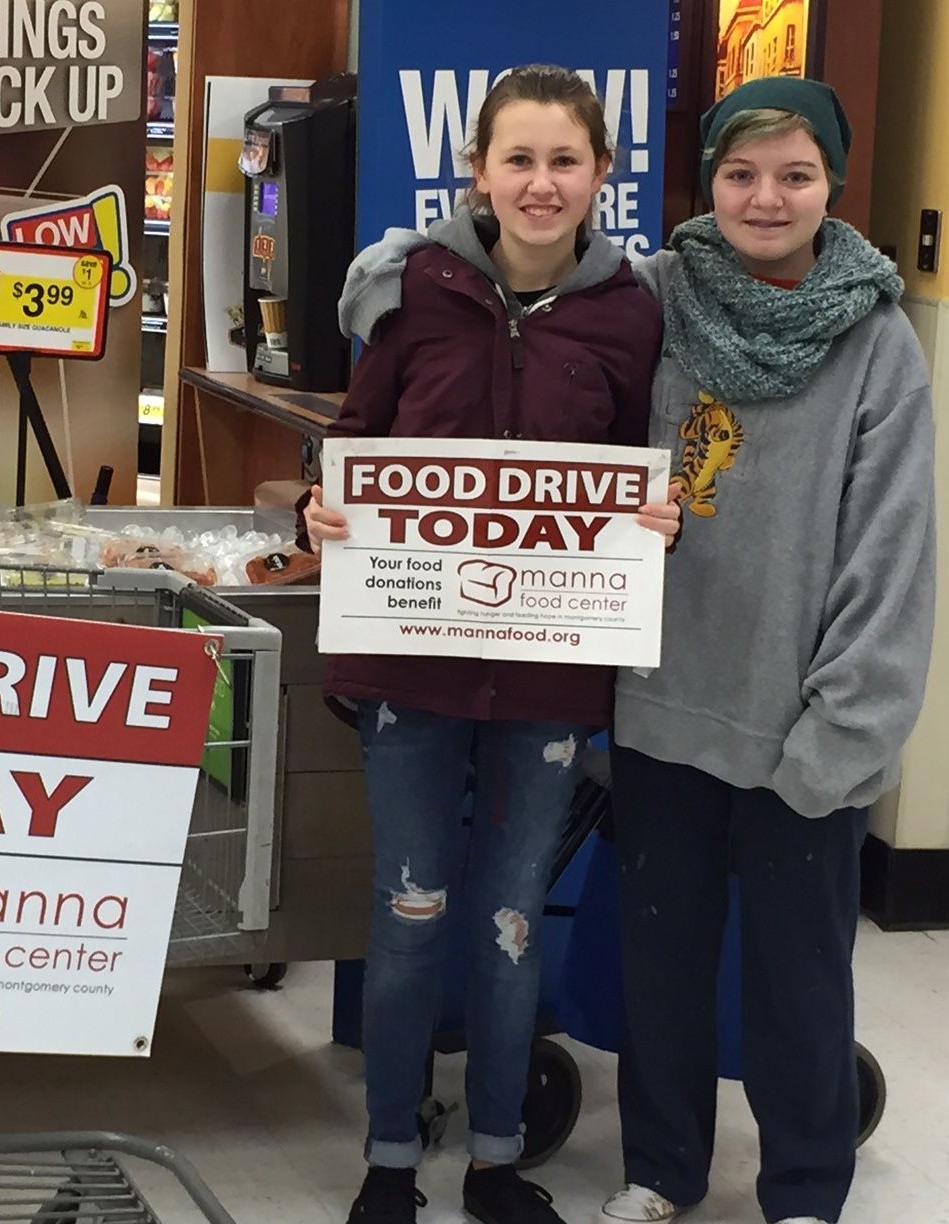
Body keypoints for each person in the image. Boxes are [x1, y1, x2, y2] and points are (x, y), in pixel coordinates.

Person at [300, 65, 677, 1224]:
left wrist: (648, 522)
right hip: (411, 670)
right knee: (411, 917)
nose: (541, 182)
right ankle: (391, 1158)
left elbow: (636, 462)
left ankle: (499, 1158)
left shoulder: (633, 313)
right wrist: (320, 507)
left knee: (510, 930)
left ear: (603, 175)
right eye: (518, 159)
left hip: (550, 682)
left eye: (566, 160)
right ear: (478, 173)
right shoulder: (414, 292)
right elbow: (353, 443)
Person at [602, 77, 936, 1224]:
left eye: (795, 174)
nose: (766, 196)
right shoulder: (651, 298)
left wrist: (840, 734)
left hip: (803, 728)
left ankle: (803, 1189)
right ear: (709, 182)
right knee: (662, 970)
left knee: (801, 985)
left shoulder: (879, 342)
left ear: (832, 185)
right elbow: (494, 298)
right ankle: (659, 1173)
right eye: (741, 173)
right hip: (659, 711)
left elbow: (891, 558)